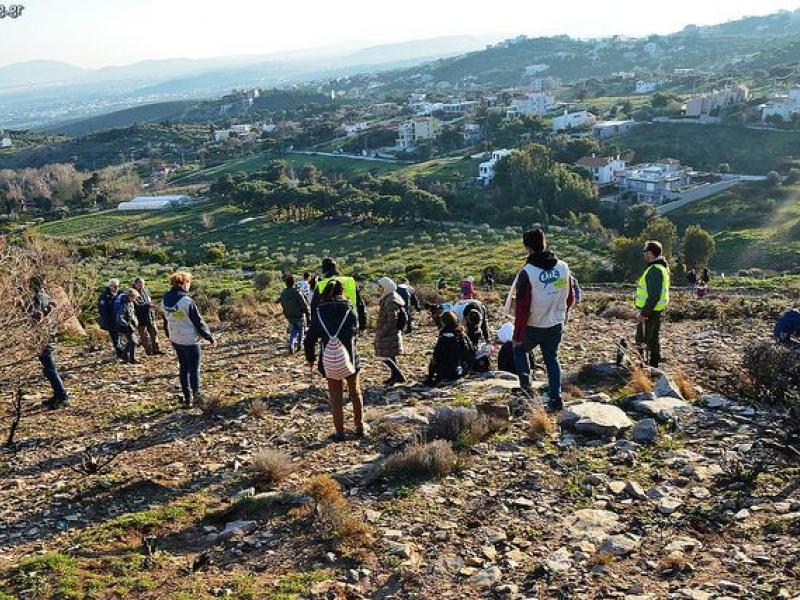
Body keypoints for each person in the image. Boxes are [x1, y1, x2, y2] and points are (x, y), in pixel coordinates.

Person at [508, 228, 575, 410]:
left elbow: (522, 307)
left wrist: (518, 333)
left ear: (527, 248)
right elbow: (571, 297)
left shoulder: (527, 272)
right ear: (544, 243)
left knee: (519, 350)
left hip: (534, 324)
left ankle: (526, 388)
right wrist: (562, 313)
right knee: (551, 358)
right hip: (555, 323)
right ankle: (556, 398)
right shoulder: (563, 267)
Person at [304, 279, 365, 441]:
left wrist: (311, 358)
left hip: (329, 360)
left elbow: (309, 340)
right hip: (350, 358)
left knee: (335, 396)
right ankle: (360, 427)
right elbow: (356, 331)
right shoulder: (349, 310)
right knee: (355, 392)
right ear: (342, 291)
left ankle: (339, 432)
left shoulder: (319, 313)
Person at [162, 272, 216, 407]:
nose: (189, 285)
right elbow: (198, 321)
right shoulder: (187, 301)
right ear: (183, 283)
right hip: (189, 339)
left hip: (175, 337)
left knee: (183, 368)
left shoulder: (165, 298)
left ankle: (187, 398)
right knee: (194, 370)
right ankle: (198, 398)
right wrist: (209, 337)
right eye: (189, 282)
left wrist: (169, 334)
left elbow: (165, 318)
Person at [30, 275, 69, 409]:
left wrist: (22, 307)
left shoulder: (36, 297)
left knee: (50, 368)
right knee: (49, 368)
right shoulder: (45, 295)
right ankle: (58, 395)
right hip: (50, 333)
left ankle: (62, 396)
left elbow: (37, 316)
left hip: (44, 336)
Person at [634, 240, 670, 368]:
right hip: (656, 309)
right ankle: (654, 367)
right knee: (653, 339)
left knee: (643, 340)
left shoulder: (654, 270)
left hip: (650, 311)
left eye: (644, 251)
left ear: (650, 253)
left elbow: (653, 295)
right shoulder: (661, 268)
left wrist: (643, 313)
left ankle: (644, 368)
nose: (643, 254)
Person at [311, 258, 366, 330]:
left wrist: (314, 328)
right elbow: (360, 303)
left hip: (328, 325)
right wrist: (362, 324)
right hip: (350, 322)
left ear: (324, 270)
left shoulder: (321, 284)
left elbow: (314, 307)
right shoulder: (350, 281)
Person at [427, 310, 475, 384]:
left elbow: (436, 354)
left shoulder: (442, 335)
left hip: (443, 373)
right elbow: (469, 351)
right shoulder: (461, 334)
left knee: (433, 360)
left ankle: (429, 379)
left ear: (443, 321)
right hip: (459, 371)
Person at [374, 277, 407, 385]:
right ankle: (395, 376)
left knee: (386, 356)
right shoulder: (390, 297)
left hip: (389, 333)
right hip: (389, 332)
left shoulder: (390, 300)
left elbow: (392, 320)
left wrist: (382, 332)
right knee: (389, 355)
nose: (379, 289)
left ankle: (399, 376)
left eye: (380, 287)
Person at [279, 274, 310, 353]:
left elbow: (280, 302)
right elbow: (304, 304)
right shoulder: (297, 292)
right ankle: (299, 345)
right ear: (294, 283)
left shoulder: (283, 293)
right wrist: (307, 313)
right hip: (299, 315)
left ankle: (291, 344)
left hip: (289, 315)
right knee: (301, 329)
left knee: (293, 330)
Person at [132, 277, 162, 355]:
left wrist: (151, 306)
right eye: (139, 284)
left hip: (150, 316)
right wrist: (147, 305)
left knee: (154, 333)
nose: (141, 285)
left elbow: (149, 300)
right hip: (140, 319)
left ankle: (156, 349)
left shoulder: (146, 291)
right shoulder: (132, 293)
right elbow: (136, 306)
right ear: (135, 284)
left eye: (142, 283)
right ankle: (149, 351)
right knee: (144, 336)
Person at [98, 278, 123, 359]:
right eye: (114, 286)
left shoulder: (121, 294)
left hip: (122, 320)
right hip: (111, 322)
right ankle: (120, 354)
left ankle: (125, 352)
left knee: (123, 337)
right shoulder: (104, 296)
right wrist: (111, 320)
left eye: (117, 286)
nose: (116, 287)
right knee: (115, 338)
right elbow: (103, 311)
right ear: (109, 286)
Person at [116, 289, 140, 364]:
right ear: (130, 296)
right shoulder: (123, 304)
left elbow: (132, 314)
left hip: (131, 325)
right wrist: (127, 325)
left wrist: (135, 321)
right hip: (125, 326)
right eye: (134, 297)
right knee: (133, 341)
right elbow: (120, 318)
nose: (134, 299)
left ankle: (126, 356)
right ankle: (131, 358)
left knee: (132, 342)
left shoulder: (131, 303)